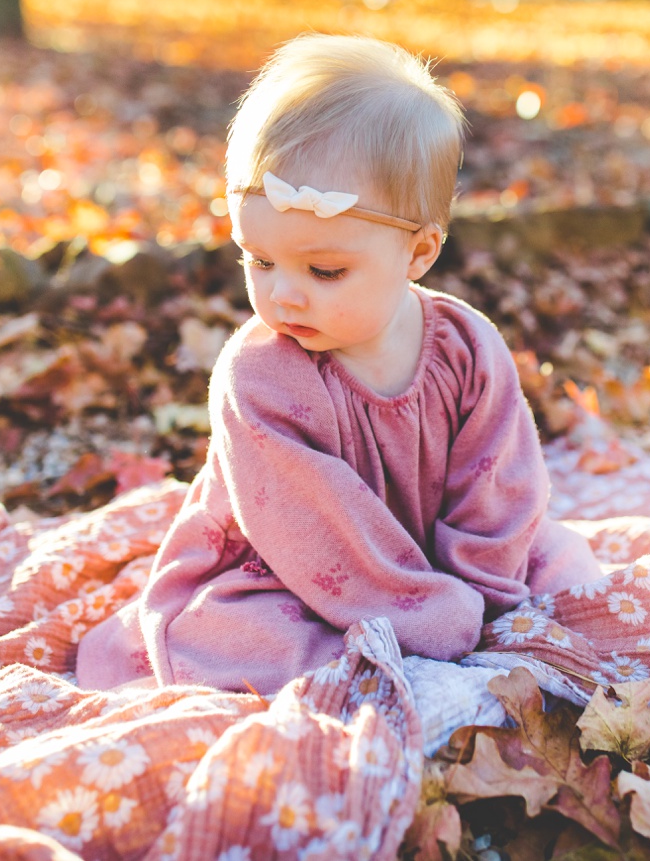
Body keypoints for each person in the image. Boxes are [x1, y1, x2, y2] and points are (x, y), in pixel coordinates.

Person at [76, 34, 602, 693]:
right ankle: (399, 656)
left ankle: (470, 639)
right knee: (242, 638)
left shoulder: (465, 348)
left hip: (440, 560)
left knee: (565, 566)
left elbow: (498, 480)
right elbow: (316, 535)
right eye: (259, 259)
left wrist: (480, 590)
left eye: (324, 269)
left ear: (419, 253)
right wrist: (427, 614)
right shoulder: (259, 378)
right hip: (289, 568)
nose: (283, 293)